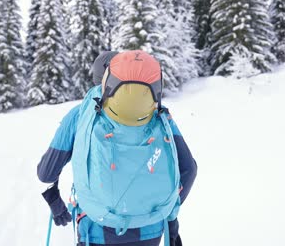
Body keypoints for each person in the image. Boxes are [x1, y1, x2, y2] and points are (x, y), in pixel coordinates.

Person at [37, 50, 197, 246]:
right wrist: (161, 210)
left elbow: (46, 173)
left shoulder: (80, 115)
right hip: (152, 230)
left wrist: (55, 201)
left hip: (97, 229)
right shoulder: (158, 115)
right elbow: (189, 169)